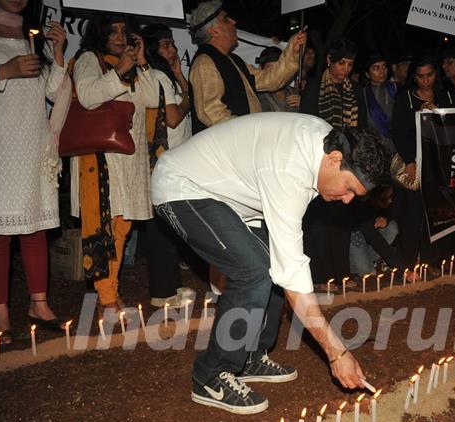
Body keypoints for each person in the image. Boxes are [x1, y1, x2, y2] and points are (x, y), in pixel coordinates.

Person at [151, 113, 391, 414]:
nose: (346, 200)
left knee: (271, 264)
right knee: (252, 271)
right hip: (182, 186)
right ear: (333, 160)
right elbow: (292, 274)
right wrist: (336, 352)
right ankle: (211, 376)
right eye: (350, 189)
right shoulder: (288, 168)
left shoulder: (328, 143)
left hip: (232, 198)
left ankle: (250, 354)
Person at [0, 0, 69, 343]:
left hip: (33, 139)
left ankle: (39, 303)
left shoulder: (30, 28)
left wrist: (59, 53)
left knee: (35, 226)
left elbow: (51, 89)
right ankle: (1, 313)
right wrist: (2, 72)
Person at [71, 13, 159, 315]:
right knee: (106, 227)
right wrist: (119, 71)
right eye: (113, 30)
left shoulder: (130, 63)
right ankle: (106, 297)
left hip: (129, 159)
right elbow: (87, 98)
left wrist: (142, 62)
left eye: (125, 30)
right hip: (102, 160)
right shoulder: (89, 59)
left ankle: (111, 292)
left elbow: (151, 99)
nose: (120, 36)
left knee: (122, 227)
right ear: (100, 32)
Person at [300, 38, 367, 286]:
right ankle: (319, 275)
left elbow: (362, 126)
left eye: (350, 64)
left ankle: (342, 272)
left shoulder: (356, 89)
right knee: (318, 222)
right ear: (329, 61)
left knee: (342, 220)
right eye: (341, 63)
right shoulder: (315, 87)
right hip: (320, 161)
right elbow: (306, 123)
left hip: (347, 162)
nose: (345, 69)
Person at [187, 0, 305, 132]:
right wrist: (250, 131)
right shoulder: (204, 63)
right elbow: (211, 113)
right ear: (214, 31)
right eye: (226, 19)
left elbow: (270, 80)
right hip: (226, 149)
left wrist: (292, 51)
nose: (233, 22)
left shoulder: (234, 60)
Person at [140, 23, 194, 307]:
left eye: (173, 44)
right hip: (165, 158)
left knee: (171, 223)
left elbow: (188, 99)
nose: (172, 50)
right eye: (165, 45)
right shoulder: (156, 75)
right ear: (151, 49)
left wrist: (179, 75)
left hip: (176, 157)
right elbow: (173, 117)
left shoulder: (166, 75)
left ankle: (170, 287)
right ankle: (162, 292)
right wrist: (184, 100)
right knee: (162, 224)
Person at [391, 55, 452, 270]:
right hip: (415, 164)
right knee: (412, 213)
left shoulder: (447, 97)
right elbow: (398, 132)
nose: (425, 80)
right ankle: (407, 264)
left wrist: (437, 113)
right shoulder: (405, 99)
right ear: (413, 77)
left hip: (440, 165)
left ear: (436, 74)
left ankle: (430, 261)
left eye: (429, 75)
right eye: (420, 76)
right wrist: (409, 161)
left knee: (436, 213)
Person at [361, 53, 397, 145]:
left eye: (384, 67)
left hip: (398, 142)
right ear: (367, 74)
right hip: (375, 145)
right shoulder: (362, 94)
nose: (382, 71)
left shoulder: (395, 89)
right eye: (376, 68)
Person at [255, 46, 300, 113]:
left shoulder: (294, 92)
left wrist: (305, 105)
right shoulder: (256, 94)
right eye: (269, 67)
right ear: (262, 69)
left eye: (277, 67)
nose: (274, 71)